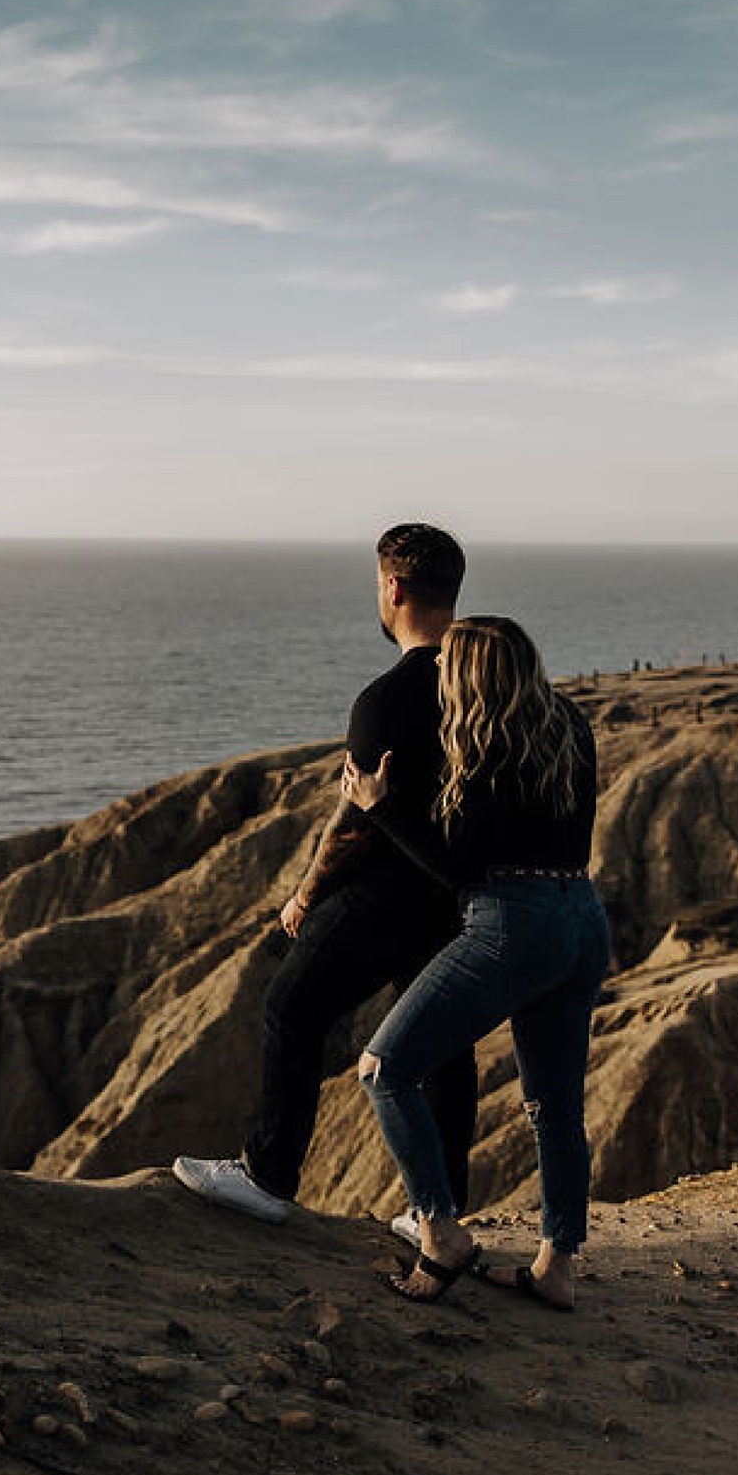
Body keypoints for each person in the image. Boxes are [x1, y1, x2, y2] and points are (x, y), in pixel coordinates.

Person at [172, 524, 481, 1234]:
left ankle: (268, 1176)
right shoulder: (481, 690)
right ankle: (439, 1210)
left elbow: (353, 823)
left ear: (394, 589)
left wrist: (305, 897)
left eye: (380, 585)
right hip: (456, 897)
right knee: (442, 1050)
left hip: (383, 897)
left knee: (291, 1008)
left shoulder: (387, 699)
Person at [346, 615, 613, 1314]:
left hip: (511, 923)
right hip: (582, 916)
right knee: (556, 1107)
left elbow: (458, 870)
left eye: (446, 667)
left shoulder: (484, 747)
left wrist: (382, 809)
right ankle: (558, 1267)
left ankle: (438, 1230)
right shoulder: (568, 728)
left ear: (466, 675)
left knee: (384, 1068)